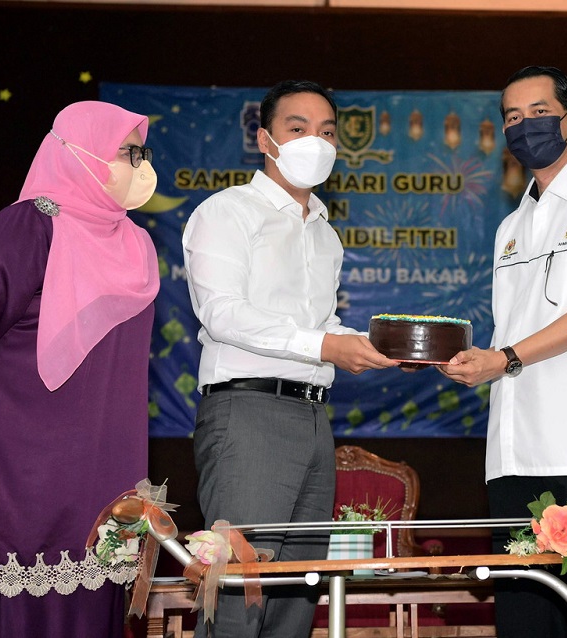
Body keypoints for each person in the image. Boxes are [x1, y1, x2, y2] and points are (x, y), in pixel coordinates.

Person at [0, 101, 160, 637]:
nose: (140, 166)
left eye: (142, 153)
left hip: (103, 470)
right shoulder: (27, 228)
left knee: (92, 604)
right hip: (17, 465)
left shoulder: (135, 243)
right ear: (79, 153)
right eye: (127, 153)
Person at [182, 79, 397, 638]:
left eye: (326, 132)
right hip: (248, 414)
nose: (314, 142)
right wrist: (326, 346)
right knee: (238, 593)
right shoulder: (228, 212)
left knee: (297, 596)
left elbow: (321, 325)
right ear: (265, 139)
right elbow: (223, 313)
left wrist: (377, 346)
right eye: (297, 128)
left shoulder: (326, 234)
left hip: (314, 417)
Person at [440, 66, 567, 638]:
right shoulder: (510, 225)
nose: (524, 125)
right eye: (512, 116)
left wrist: (503, 358)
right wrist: (476, 360)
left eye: (539, 112)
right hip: (513, 450)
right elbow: (513, 328)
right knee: (526, 617)